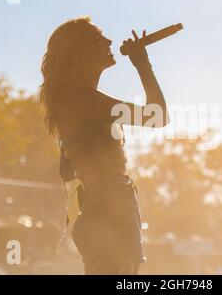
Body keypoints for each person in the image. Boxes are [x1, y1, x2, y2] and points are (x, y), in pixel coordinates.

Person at [39, 16, 169, 274]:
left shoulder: (75, 101)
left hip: (104, 214)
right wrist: (142, 64)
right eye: (98, 38)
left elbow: (67, 171)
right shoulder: (84, 101)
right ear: (80, 51)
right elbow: (158, 116)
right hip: (110, 216)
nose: (109, 41)